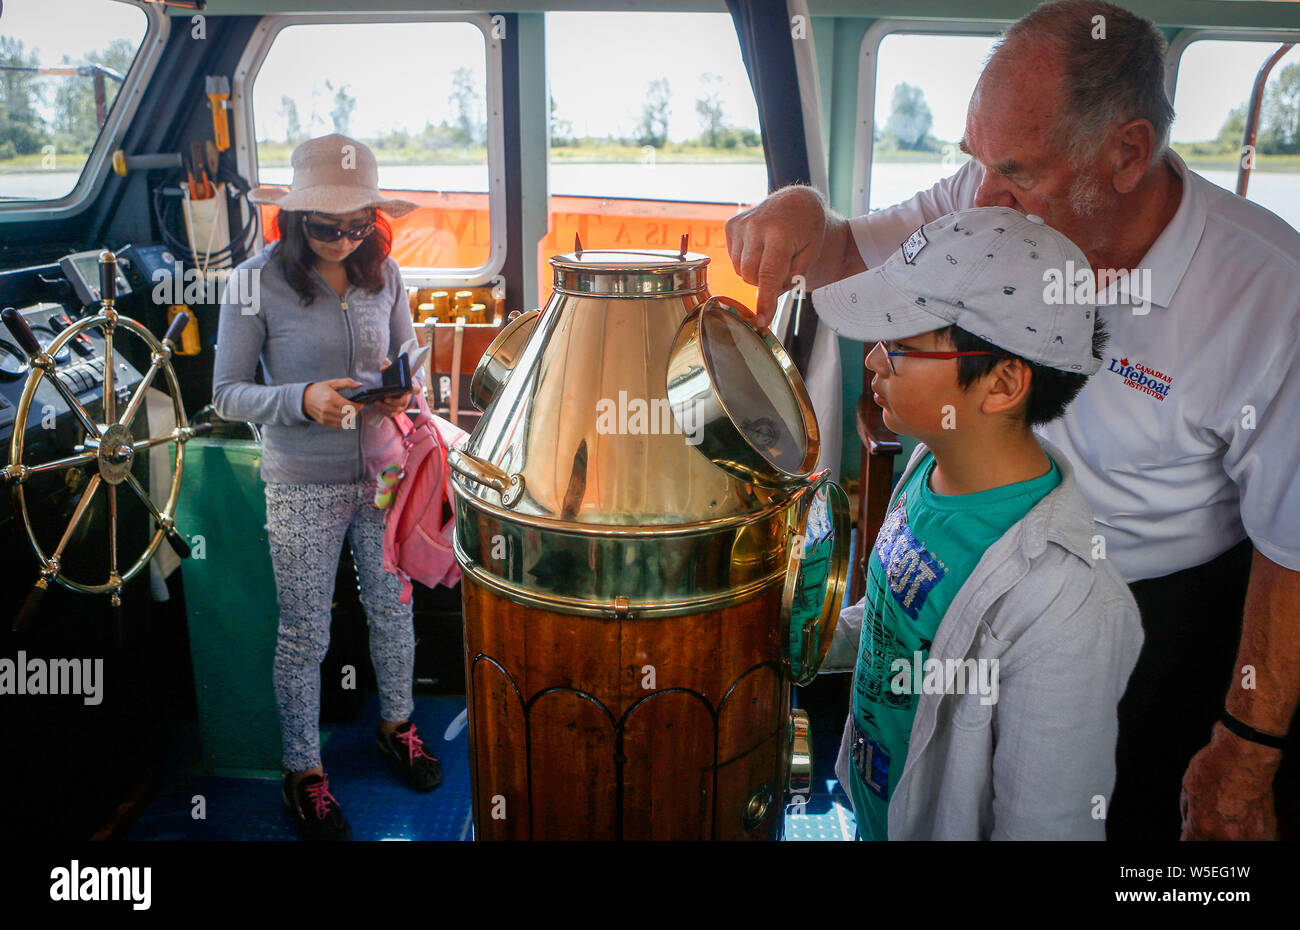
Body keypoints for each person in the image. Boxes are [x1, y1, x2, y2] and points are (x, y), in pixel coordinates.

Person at [727, 0, 1300, 841]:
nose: (983, 202)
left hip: (1152, 612)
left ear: (1128, 153)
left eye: (1019, 175)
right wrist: (804, 215)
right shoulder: (987, 203)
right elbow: (848, 251)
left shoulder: (1268, 293)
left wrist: (1247, 749)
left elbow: (1293, 548)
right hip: (972, 551)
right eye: (976, 166)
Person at [814, 205, 1141, 839]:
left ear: (1001, 384)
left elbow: (1046, 826)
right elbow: (895, 627)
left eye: (903, 346)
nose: (875, 362)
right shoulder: (927, 468)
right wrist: (807, 636)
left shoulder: (1067, 606)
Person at [212, 133, 442, 841]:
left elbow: (412, 367)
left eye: (356, 225)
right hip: (301, 482)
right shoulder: (253, 282)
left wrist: (402, 396)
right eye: (324, 226)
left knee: (393, 612)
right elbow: (225, 394)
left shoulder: (388, 274)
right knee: (306, 631)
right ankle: (304, 772)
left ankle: (396, 726)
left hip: (383, 476)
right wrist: (303, 398)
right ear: (294, 219)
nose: (342, 239)